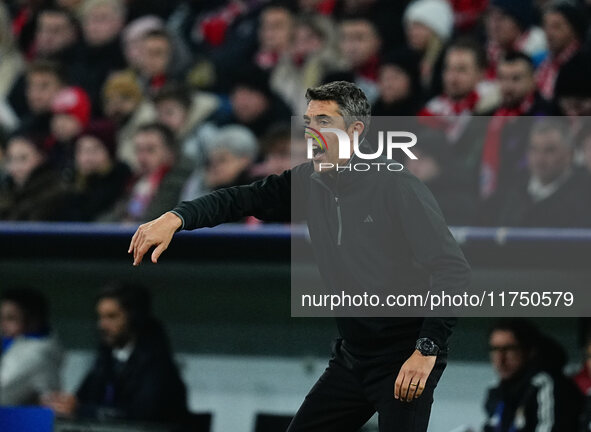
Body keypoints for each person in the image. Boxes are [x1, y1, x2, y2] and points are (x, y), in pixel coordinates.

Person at [128, 80, 471, 432]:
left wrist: (425, 350)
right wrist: (177, 217)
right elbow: (239, 199)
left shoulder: (396, 186)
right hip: (353, 356)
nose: (311, 133)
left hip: (404, 358)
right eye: (308, 123)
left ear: (354, 130)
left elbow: (452, 269)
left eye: (324, 122)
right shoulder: (309, 181)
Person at [42, 282, 187, 424]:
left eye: (112, 317)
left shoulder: (156, 365)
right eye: (100, 317)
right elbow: (83, 398)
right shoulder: (106, 360)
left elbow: (142, 414)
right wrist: (64, 404)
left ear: (134, 318)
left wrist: (83, 410)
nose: (102, 325)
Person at [482, 118, 591, 227]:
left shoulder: (585, 195)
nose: (539, 159)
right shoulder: (509, 190)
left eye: (549, 150)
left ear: (569, 155)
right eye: (534, 149)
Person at [484, 318, 583, 432]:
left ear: (530, 351)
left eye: (509, 349)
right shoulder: (497, 388)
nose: (500, 359)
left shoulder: (548, 385)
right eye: (495, 349)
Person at [479, 52, 553, 200]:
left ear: (533, 79)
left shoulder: (547, 115)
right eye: (502, 78)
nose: (508, 86)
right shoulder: (487, 116)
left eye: (516, 79)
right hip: (487, 197)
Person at [0, 287, 63, 406]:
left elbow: (3, 390)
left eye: (11, 318)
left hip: (26, 422)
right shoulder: (15, 345)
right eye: (1, 318)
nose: (3, 326)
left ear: (33, 320)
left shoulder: (37, 354)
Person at [60, 120, 132, 221]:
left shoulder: (122, 183)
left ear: (109, 152)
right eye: (81, 150)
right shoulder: (70, 181)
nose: (86, 158)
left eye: (95, 150)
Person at [0, 134, 66, 221]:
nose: (15, 167)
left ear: (40, 157)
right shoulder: (6, 190)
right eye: (10, 159)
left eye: (23, 158)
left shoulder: (55, 193)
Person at [536, 1, 587, 100]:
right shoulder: (546, 62)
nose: (548, 33)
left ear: (574, 30)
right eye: (546, 26)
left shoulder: (584, 64)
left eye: (556, 27)